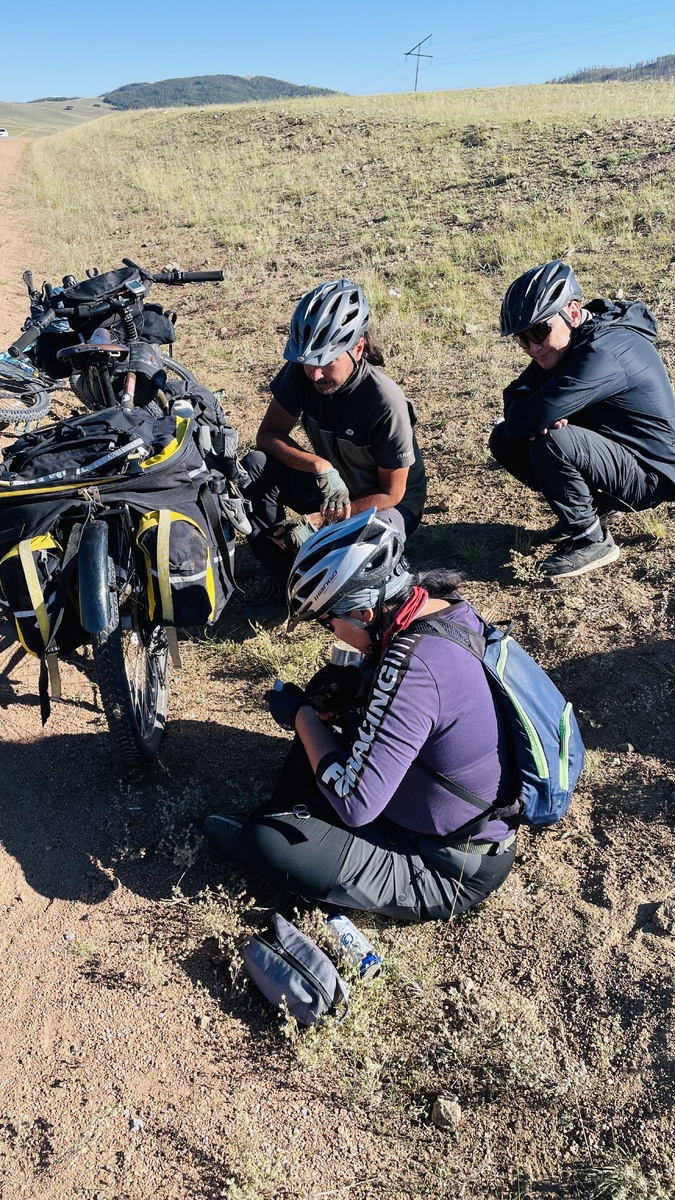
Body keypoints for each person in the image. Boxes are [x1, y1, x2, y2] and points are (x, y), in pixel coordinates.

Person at [205, 510, 520, 922]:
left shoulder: (412, 668)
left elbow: (356, 803)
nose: (331, 633)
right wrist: (354, 691)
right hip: (449, 812)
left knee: (267, 840)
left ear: (364, 613)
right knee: (331, 687)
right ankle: (304, 813)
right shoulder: (444, 609)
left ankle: (290, 832)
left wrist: (302, 715)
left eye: (327, 622)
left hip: (449, 866)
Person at [240, 279, 427, 618]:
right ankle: (286, 573)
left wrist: (326, 520)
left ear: (358, 348)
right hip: (331, 485)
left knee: (357, 565)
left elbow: (392, 493)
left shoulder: (385, 403)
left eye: (327, 361)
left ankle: (324, 570)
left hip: (386, 503)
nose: (315, 373)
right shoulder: (302, 372)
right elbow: (267, 435)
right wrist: (319, 465)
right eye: (309, 361)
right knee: (255, 465)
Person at [490, 260, 675, 578]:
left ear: (572, 313)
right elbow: (515, 398)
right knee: (504, 439)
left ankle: (593, 540)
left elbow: (524, 416)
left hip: (652, 474)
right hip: (620, 451)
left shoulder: (602, 353)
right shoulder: (571, 340)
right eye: (522, 338)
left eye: (539, 330)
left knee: (552, 440)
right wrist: (536, 411)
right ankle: (591, 511)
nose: (533, 348)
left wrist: (539, 414)